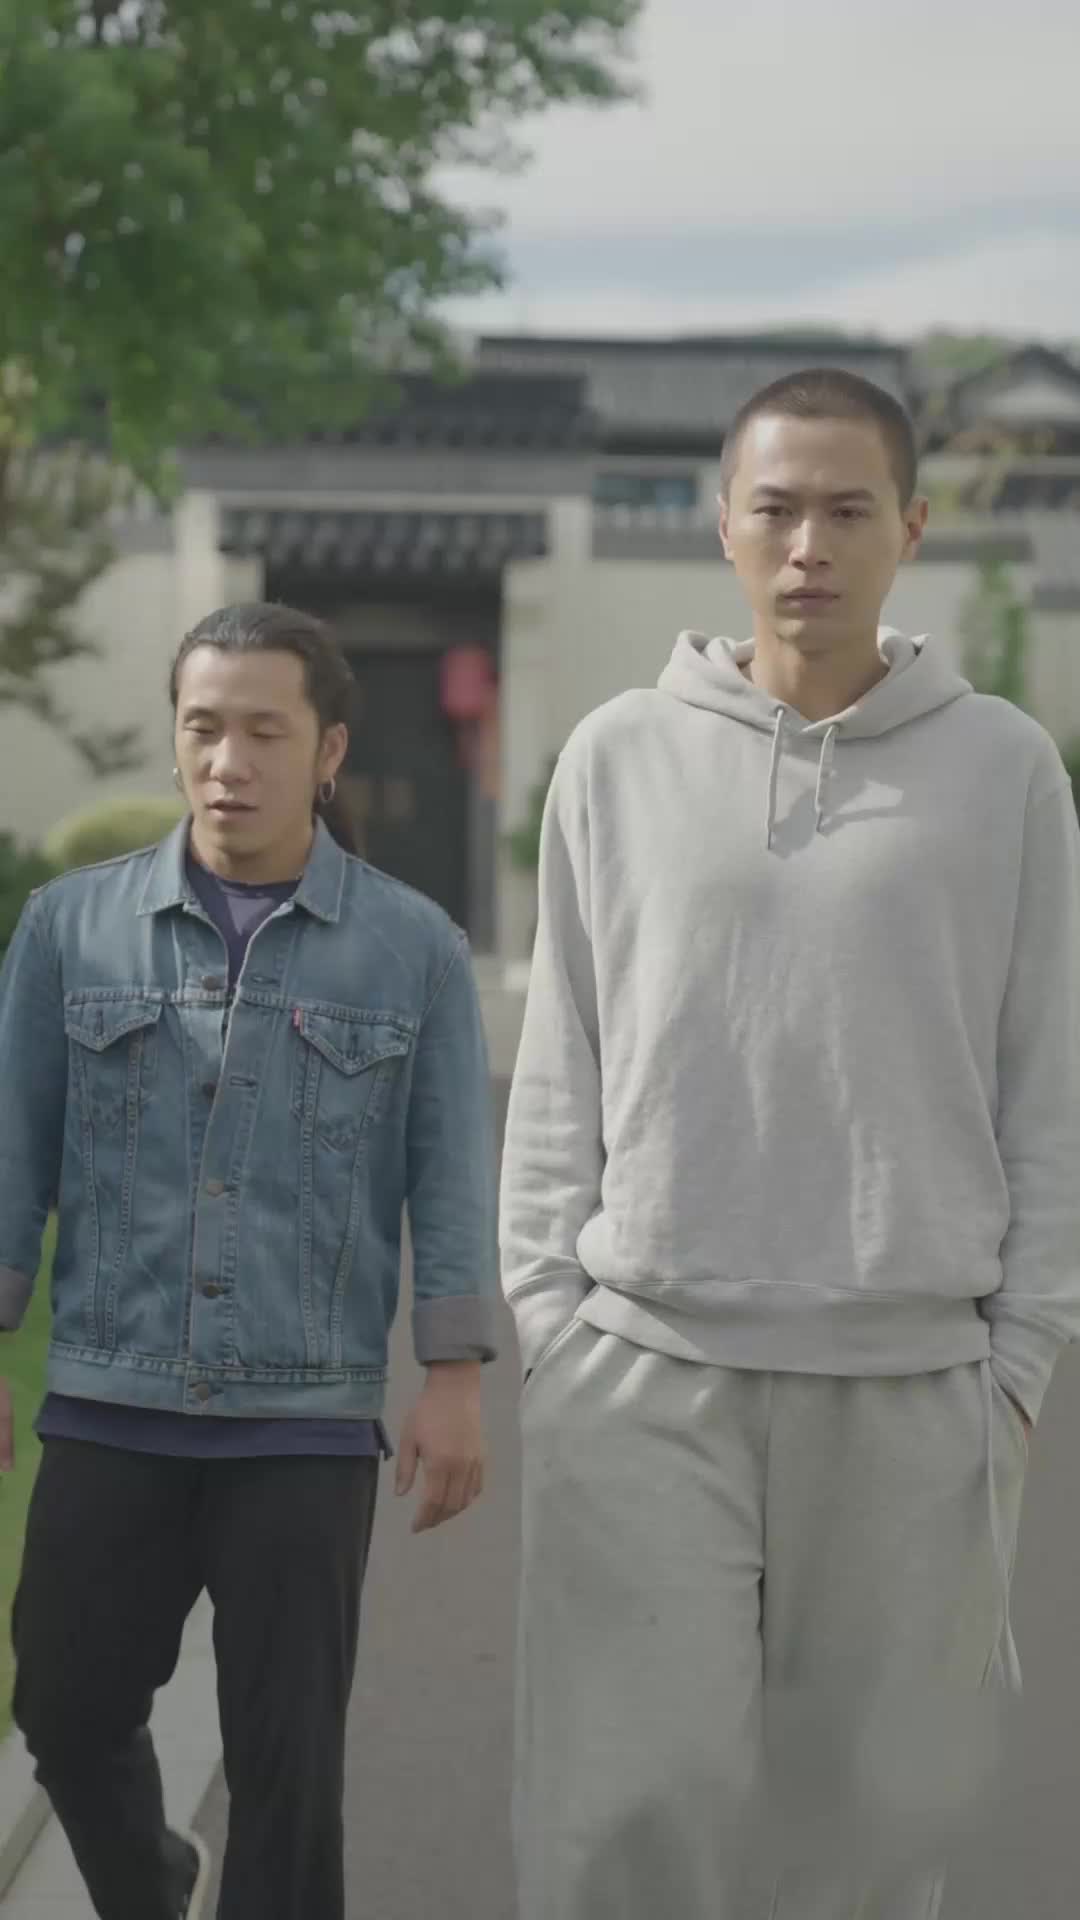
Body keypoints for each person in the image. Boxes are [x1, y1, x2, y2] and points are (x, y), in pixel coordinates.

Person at [500, 369, 1080, 1917]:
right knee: (625, 1834)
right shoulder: (617, 757)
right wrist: (554, 1334)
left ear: (913, 527)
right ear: (723, 525)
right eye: (775, 509)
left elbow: (1046, 1084)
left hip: (913, 1392)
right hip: (645, 1377)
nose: (808, 545)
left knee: (861, 1850)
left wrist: (1020, 1362)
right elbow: (560, 1063)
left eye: (846, 510)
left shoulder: (1005, 769)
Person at [0, 601, 498, 1920]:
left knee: (288, 1772)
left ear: (327, 750)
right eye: (203, 728)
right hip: (110, 1396)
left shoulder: (414, 949)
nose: (229, 763)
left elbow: (451, 1175)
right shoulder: (68, 928)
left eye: (265, 732)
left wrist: (455, 1377)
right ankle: (153, 1884)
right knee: (64, 1705)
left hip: (304, 1415)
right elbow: (10, 1152)